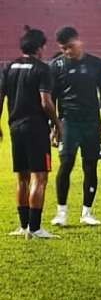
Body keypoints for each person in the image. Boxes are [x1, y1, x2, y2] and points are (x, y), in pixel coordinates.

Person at [0, 27, 62, 239]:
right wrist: (57, 124)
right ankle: (35, 229)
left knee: (22, 178)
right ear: (40, 47)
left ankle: (23, 226)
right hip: (36, 128)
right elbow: (46, 101)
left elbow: (0, 99)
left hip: (15, 127)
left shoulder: (8, 68)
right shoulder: (42, 69)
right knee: (40, 177)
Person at [50, 26, 101, 227]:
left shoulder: (95, 63)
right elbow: (52, 97)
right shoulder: (56, 65)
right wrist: (54, 126)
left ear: (78, 41)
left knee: (90, 166)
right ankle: (61, 213)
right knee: (66, 165)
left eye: (69, 47)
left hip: (92, 123)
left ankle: (87, 212)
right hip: (68, 122)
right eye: (63, 48)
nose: (67, 51)